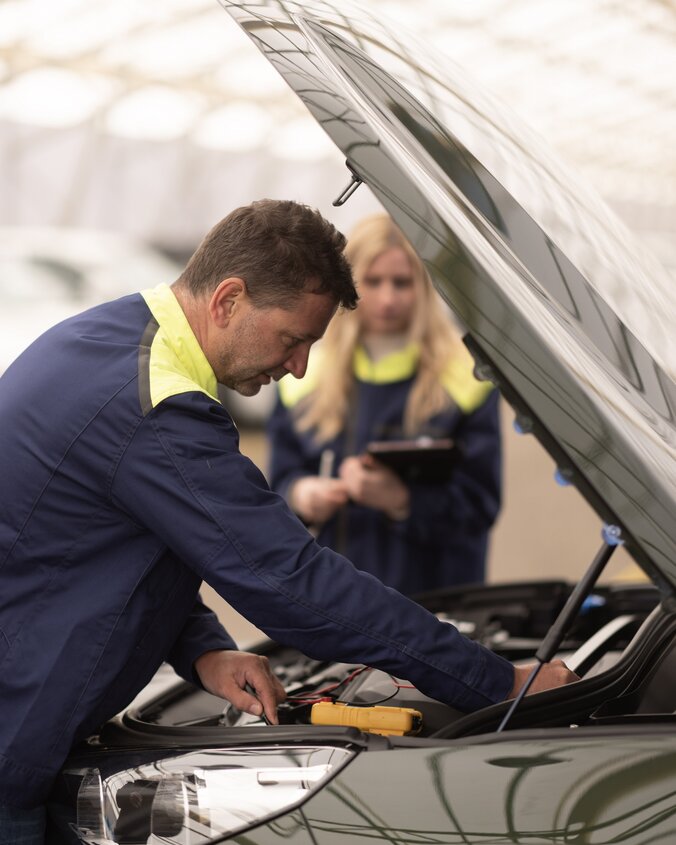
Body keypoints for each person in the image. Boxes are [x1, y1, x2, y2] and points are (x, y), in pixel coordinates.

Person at [0, 199, 576, 841]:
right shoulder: (153, 405)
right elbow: (289, 581)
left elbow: (114, 543)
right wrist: (497, 681)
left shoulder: (112, 340)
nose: (299, 366)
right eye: (292, 339)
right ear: (229, 300)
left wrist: (203, 648)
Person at [267, 213, 501, 596]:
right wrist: (301, 495)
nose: (388, 298)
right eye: (373, 282)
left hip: (438, 602)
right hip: (335, 599)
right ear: (346, 284)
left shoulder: (467, 378)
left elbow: (481, 506)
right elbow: (277, 483)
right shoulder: (304, 376)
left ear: (425, 284)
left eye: (402, 282)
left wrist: (402, 500)